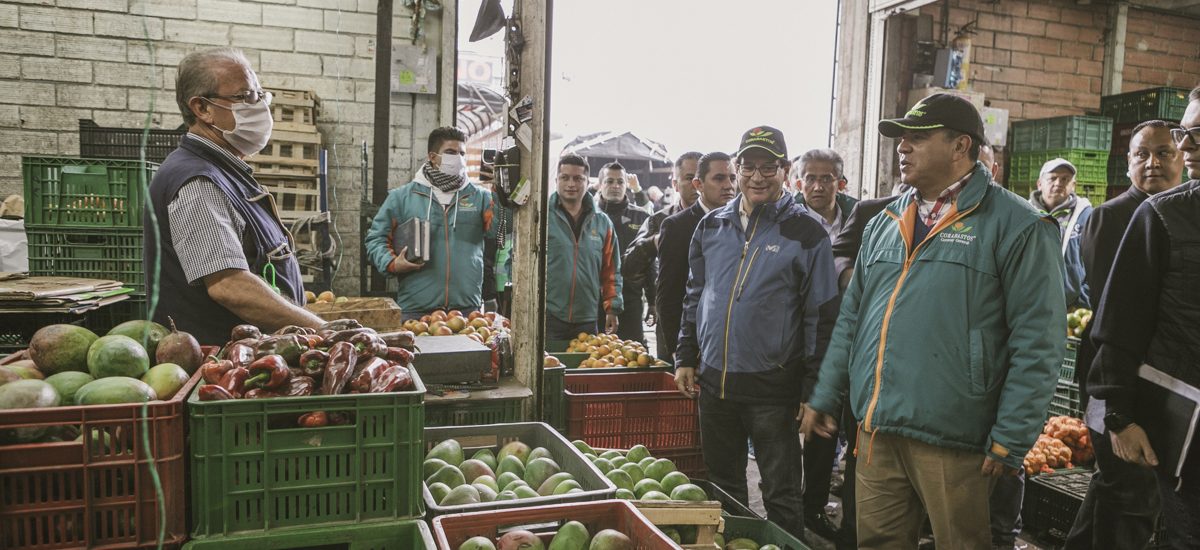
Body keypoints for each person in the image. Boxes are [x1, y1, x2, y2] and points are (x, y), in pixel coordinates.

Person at [802, 94, 1066, 550]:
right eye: (901, 139)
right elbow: (852, 319)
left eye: (917, 138)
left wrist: (1013, 434)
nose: (902, 147)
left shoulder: (1018, 225)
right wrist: (826, 394)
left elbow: (1039, 341)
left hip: (957, 437)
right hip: (878, 428)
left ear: (961, 145)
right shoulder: (885, 222)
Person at [675, 126, 840, 542]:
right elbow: (696, 294)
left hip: (773, 389)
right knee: (724, 489)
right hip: (715, 384)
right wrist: (686, 355)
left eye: (769, 167)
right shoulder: (711, 225)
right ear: (738, 168)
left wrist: (813, 389)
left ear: (786, 170)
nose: (757, 177)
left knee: (781, 494)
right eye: (748, 167)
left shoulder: (807, 233)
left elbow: (821, 317)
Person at [145, 47, 324, 345]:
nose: (260, 107)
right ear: (202, 108)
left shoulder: (224, 172)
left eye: (260, 96)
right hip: (218, 361)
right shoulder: (198, 181)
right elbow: (229, 286)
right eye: (245, 97)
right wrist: (324, 329)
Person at [1086, 87, 1200, 548]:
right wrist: (1118, 414)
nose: (1186, 145)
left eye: (1195, 134)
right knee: (1136, 507)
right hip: (1175, 420)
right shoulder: (1157, 217)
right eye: (1184, 133)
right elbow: (1117, 322)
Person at [1063, 120, 1183, 550]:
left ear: (1182, 157)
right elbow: (1116, 312)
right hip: (1117, 375)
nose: (1152, 163)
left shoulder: (1182, 213)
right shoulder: (1110, 217)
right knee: (1132, 492)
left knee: (1115, 487)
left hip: (1161, 377)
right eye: (1141, 154)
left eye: (1164, 152)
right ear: (1129, 162)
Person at [364, 127, 506, 321]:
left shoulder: (480, 197)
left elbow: (499, 232)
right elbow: (376, 239)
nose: (458, 159)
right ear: (433, 157)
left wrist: (500, 194)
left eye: (462, 154)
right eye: (451, 153)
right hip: (415, 309)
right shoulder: (402, 198)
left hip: (466, 310)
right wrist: (392, 264)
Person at [655, 152, 736, 364]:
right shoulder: (676, 226)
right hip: (691, 341)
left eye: (732, 178)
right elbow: (668, 295)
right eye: (719, 179)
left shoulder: (742, 223)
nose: (728, 186)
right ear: (698, 184)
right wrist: (679, 352)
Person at [623, 151, 702, 357]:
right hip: (672, 322)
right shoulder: (660, 221)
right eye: (689, 178)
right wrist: (655, 242)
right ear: (675, 184)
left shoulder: (725, 220)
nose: (697, 184)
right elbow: (629, 269)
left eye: (701, 178)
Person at [545, 154, 622, 340]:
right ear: (556, 181)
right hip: (548, 315)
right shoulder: (541, 217)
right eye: (565, 178)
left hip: (587, 318)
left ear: (587, 182)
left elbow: (611, 270)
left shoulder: (602, 223)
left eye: (578, 178)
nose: (571, 184)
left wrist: (612, 308)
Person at [595, 162, 653, 343]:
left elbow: (650, 261)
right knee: (596, 353)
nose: (615, 186)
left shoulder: (641, 218)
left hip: (631, 301)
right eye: (609, 181)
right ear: (600, 185)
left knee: (633, 353)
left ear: (626, 185)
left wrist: (653, 300)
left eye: (620, 182)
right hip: (595, 303)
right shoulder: (590, 218)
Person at [1028, 158, 1093, 309]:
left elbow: (1098, 266)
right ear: (1039, 184)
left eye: (1065, 179)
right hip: (1030, 306)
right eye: (1052, 178)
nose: (1058, 183)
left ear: (1073, 185)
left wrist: (1081, 303)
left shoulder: (1087, 217)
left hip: (1072, 309)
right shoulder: (1023, 214)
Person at [792, 149, 859, 239]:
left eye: (826, 179)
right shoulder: (786, 221)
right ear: (800, 185)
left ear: (840, 185)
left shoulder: (859, 218)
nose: (818, 188)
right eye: (811, 179)